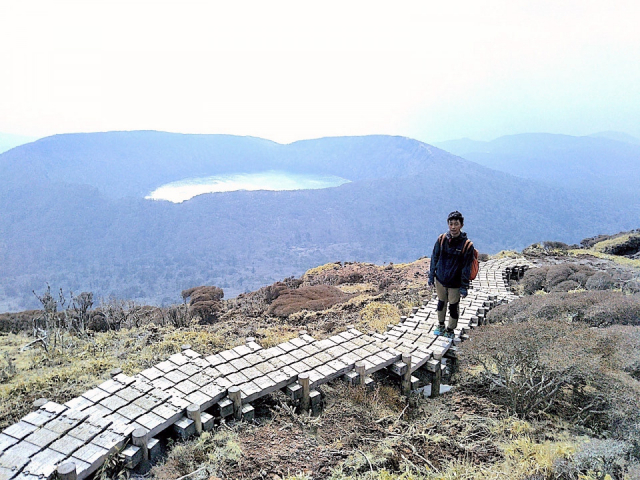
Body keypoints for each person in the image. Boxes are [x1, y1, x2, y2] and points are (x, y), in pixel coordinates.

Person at [428, 211, 475, 338]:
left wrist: (464, 287)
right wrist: (431, 276)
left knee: (453, 307)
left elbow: (467, 267)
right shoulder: (441, 239)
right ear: (448, 224)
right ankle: (441, 325)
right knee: (441, 303)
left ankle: (450, 329)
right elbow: (434, 257)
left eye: (456, 224)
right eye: (451, 224)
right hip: (441, 280)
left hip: (455, 283)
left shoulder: (467, 245)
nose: (453, 227)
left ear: (461, 225)